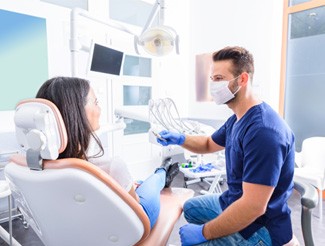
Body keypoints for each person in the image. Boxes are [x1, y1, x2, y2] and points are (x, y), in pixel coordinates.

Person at [157, 46, 295, 245]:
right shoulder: (237, 119)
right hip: (234, 200)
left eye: (219, 78)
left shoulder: (264, 132)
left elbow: (253, 207)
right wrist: (180, 138)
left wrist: (204, 232)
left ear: (242, 79)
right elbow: (207, 143)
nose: (213, 86)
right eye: (212, 79)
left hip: (259, 227)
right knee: (189, 208)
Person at [36, 76, 179, 229]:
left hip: (78, 230)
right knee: (153, 183)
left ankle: (149, 179)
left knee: (140, 183)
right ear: (77, 112)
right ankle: (162, 172)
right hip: (130, 228)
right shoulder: (111, 166)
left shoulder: (37, 166)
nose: (100, 108)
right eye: (96, 102)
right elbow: (136, 210)